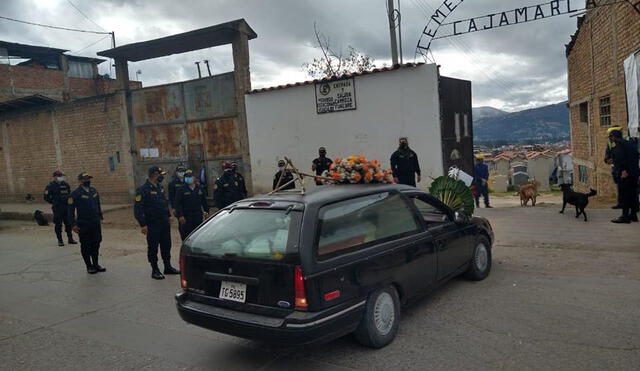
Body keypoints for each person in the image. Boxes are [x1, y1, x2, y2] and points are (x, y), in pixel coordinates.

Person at [134, 166, 180, 279]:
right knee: (153, 247)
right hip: (152, 224)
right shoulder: (143, 190)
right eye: (160, 174)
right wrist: (143, 225)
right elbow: (138, 209)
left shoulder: (160, 188)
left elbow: (164, 204)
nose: (162, 177)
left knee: (166, 245)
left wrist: (169, 216)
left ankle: (167, 267)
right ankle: (155, 269)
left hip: (164, 222)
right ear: (154, 174)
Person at [68, 173, 104, 274]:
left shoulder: (93, 190)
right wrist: (73, 224)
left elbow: (98, 204)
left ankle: (96, 264)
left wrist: (100, 216)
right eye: (85, 179)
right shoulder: (75, 193)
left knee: (96, 243)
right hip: (84, 224)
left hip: (95, 222)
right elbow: (70, 211)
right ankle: (89, 266)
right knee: (86, 245)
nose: (87, 180)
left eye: (88, 178)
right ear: (80, 181)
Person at [609, 130, 639, 223]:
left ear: (613, 137)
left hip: (625, 174)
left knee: (625, 195)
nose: (611, 139)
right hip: (634, 172)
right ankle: (633, 215)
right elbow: (636, 156)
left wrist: (624, 170)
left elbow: (621, 158)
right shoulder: (630, 143)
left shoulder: (619, 144)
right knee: (633, 194)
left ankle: (625, 216)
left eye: (611, 137)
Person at [44, 170, 77, 247]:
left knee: (68, 223)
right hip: (57, 208)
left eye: (61, 176)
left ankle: (70, 239)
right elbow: (46, 197)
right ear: (55, 177)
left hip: (66, 207)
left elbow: (69, 194)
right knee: (58, 224)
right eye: (59, 176)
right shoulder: (50, 186)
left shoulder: (65, 185)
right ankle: (60, 240)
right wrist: (53, 202)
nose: (61, 177)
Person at [174, 169, 210, 240]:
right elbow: (178, 204)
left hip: (197, 216)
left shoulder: (200, 188)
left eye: (190, 176)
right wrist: (180, 215)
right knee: (186, 236)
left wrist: (206, 212)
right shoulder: (181, 189)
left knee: (197, 235)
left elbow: (204, 202)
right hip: (186, 217)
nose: (188, 178)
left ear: (194, 177)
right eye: (186, 177)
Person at [604, 126, 625, 209]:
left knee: (627, 187)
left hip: (624, 169)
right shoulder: (609, 143)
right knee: (619, 186)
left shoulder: (627, 140)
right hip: (615, 169)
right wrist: (607, 160)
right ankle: (620, 203)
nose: (610, 137)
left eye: (611, 135)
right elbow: (607, 155)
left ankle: (632, 206)